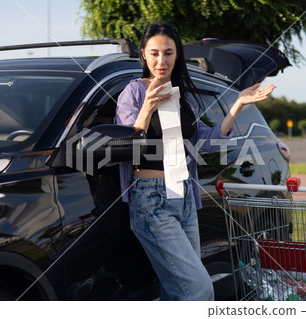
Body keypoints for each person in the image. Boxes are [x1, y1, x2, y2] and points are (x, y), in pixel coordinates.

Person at [116, 23, 275, 301]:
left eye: (168, 53)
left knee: (177, 292)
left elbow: (208, 141)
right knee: (199, 289)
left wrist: (237, 104)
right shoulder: (134, 92)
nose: (161, 60)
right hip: (152, 199)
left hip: (185, 196)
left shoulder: (181, 96)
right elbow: (126, 142)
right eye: (154, 53)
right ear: (143, 55)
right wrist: (147, 108)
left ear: (177, 55)